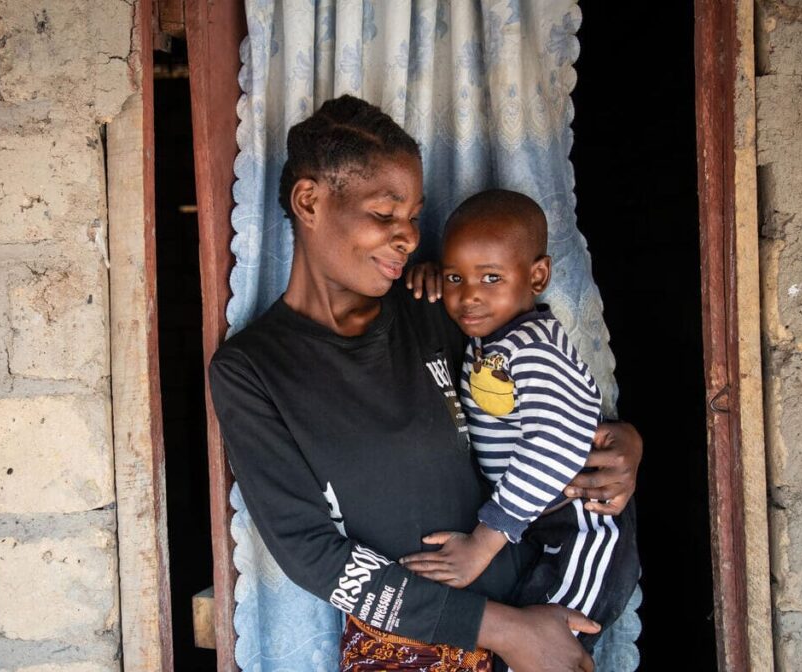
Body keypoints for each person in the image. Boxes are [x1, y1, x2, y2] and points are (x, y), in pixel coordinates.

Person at [209, 95, 641, 672]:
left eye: (414, 217)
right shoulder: (254, 370)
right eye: (385, 215)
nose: (408, 236)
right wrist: (505, 631)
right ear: (309, 200)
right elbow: (313, 555)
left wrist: (623, 441)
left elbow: (540, 399)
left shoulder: (437, 305)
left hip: (543, 602)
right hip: (412, 645)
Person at [399, 191, 639, 661]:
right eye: (455, 277)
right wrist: (429, 278)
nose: (469, 295)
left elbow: (554, 445)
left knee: (554, 652)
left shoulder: (529, 348)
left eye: (491, 277)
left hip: (583, 529)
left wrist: (484, 543)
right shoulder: (494, 338)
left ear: (537, 276)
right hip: (542, 527)